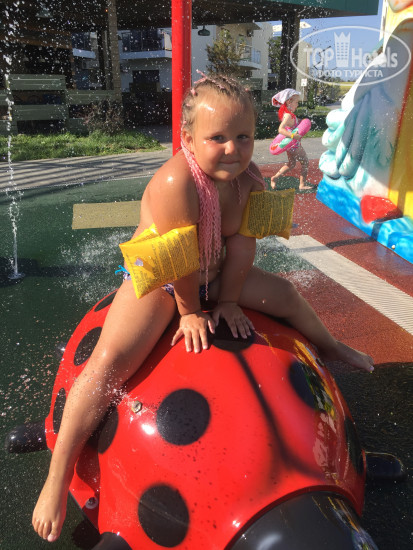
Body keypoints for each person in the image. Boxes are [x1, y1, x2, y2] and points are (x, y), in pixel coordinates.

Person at [32, 73, 374, 543]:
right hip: (162, 278)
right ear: (188, 139)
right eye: (218, 138)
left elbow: (244, 245)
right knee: (109, 362)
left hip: (215, 272)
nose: (233, 149)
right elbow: (177, 260)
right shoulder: (177, 182)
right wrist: (191, 311)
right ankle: (56, 476)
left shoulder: (251, 180)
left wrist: (229, 300)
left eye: (244, 137)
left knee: (288, 296)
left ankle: (331, 346)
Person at [270, 88, 313, 191]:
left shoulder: (287, 114)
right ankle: (302, 185)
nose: (297, 105)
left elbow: (294, 125)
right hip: (295, 145)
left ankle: (275, 177)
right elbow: (280, 129)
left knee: (292, 163)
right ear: (289, 102)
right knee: (305, 163)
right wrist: (293, 136)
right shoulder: (288, 115)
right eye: (296, 102)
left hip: (290, 145)